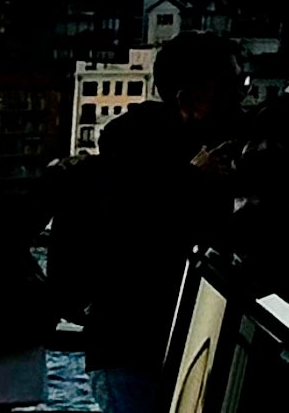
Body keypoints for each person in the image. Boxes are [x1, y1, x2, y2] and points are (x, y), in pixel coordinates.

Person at [59, 33, 252, 412]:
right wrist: (193, 181)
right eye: (229, 86)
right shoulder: (133, 157)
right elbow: (132, 239)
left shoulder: (137, 145)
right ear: (187, 99)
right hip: (134, 344)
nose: (240, 96)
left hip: (173, 341)